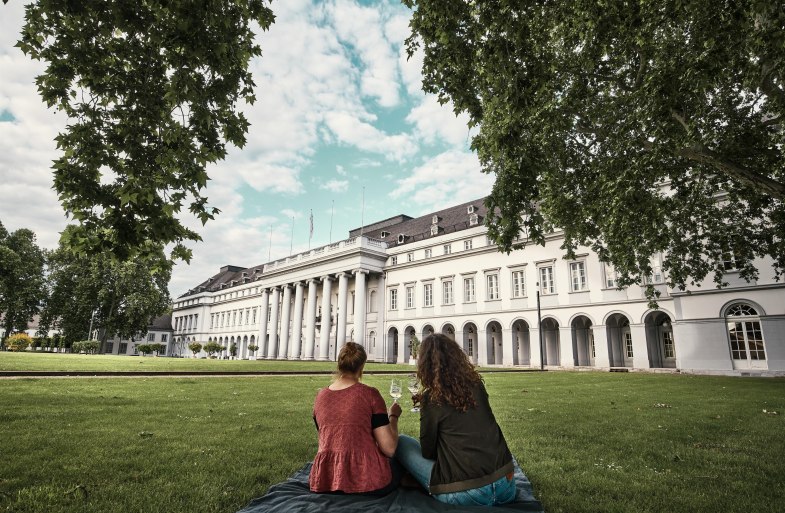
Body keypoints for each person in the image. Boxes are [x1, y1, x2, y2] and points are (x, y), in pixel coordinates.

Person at [395, 333, 517, 506]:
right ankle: (427, 483)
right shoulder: (476, 385)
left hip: (465, 495)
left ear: (425, 365)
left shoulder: (432, 399)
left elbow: (428, 452)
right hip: (507, 485)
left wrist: (426, 409)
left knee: (402, 442)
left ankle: (429, 484)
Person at [310, 342, 402, 495]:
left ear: (339, 365)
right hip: (366, 479)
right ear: (362, 367)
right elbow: (389, 448)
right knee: (402, 450)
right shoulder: (370, 395)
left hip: (326, 480)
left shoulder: (320, 396)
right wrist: (393, 416)